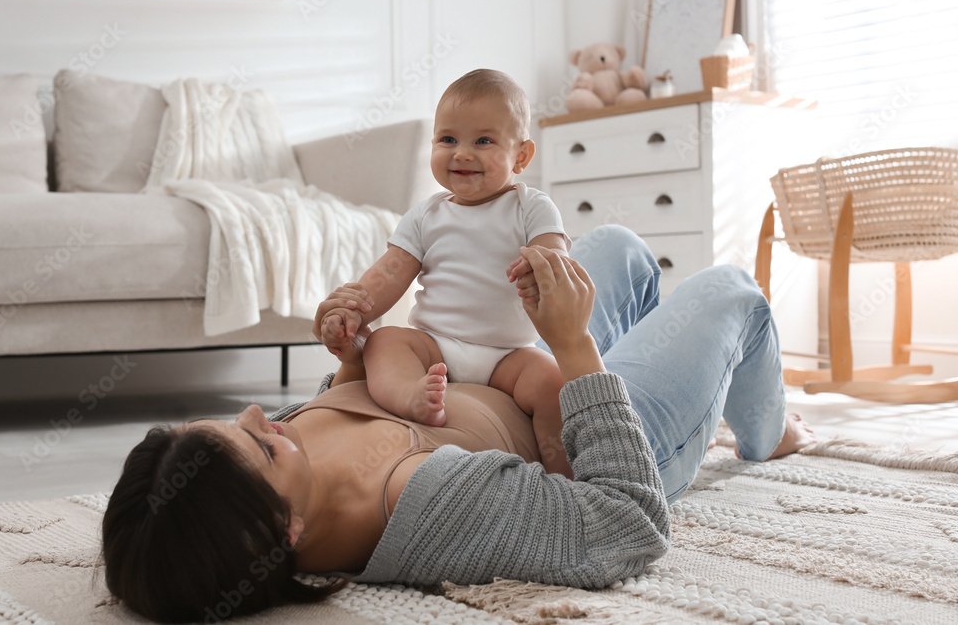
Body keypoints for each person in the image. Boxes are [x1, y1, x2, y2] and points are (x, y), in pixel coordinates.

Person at [101, 225, 816, 623]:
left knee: (619, 251)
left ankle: (693, 381)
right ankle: (764, 429)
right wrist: (574, 347)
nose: (263, 413)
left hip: (510, 370)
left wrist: (353, 351)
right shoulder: (423, 505)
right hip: (601, 431)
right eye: (260, 441)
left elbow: (359, 407)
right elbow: (629, 522)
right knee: (735, 294)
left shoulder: (272, 478)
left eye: (233, 421)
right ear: (282, 531)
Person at [323, 68, 574, 477]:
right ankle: (411, 396)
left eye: (484, 141)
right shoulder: (425, 215)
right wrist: (355, 311)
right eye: (448, 139)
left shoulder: (532, 207)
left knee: (552, 381)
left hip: (508, 355)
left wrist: (540, 267)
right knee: (383, 342)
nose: (462, 153)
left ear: (521, 156)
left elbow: (555, 255)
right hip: (433, 346)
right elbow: (388, 272)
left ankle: (559, 472)